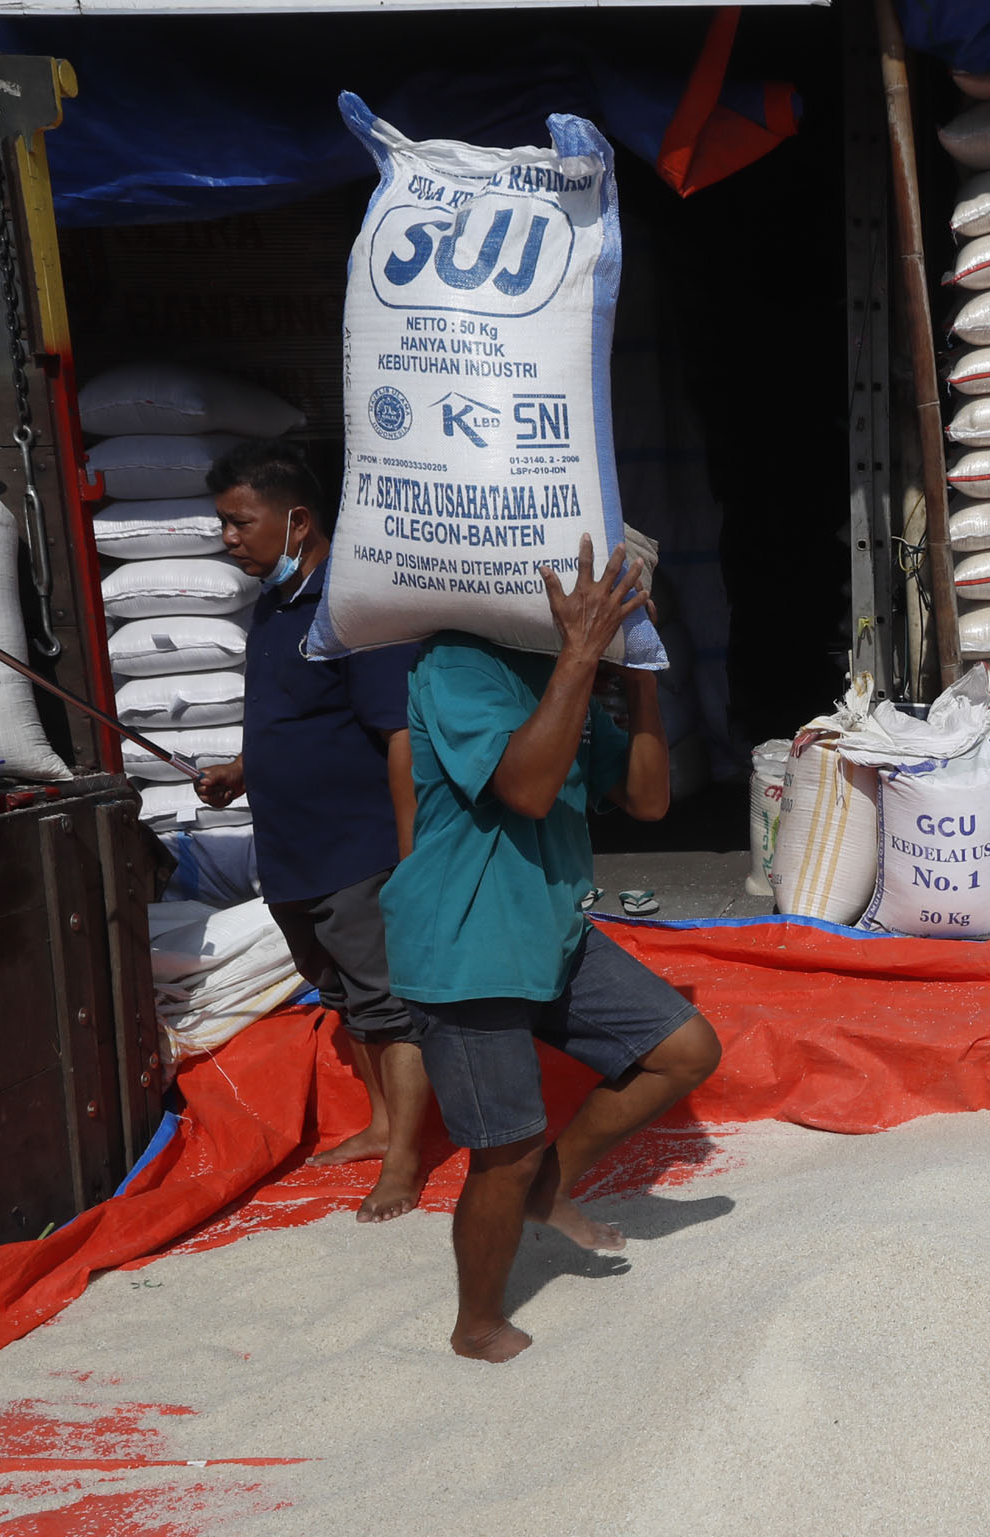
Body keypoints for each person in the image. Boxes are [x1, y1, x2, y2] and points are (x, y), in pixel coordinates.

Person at [383, 536, 721, 1362]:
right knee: (505, 1146)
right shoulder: (457, 664)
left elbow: (645, 797)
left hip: (551, 929)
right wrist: (580, 654)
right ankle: (477, 1321)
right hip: (468, 947)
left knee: (685, 1048)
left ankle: (544, 1188)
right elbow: (527, 788)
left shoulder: (559, 674)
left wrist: (637, 668)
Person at [196, 439, 432, 1223]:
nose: (228, 537)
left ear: (297, 519)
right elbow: (296, 717)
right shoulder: (272, 604)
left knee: (388, 1005)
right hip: (291, 850)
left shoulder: (354, 608)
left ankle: (405, 1159)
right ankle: (380, 1125)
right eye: (223, 522)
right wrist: (243, 768)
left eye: (240, 521)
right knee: (343, 997)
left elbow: (397, 734)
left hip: (356, 847)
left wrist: (410, 855)